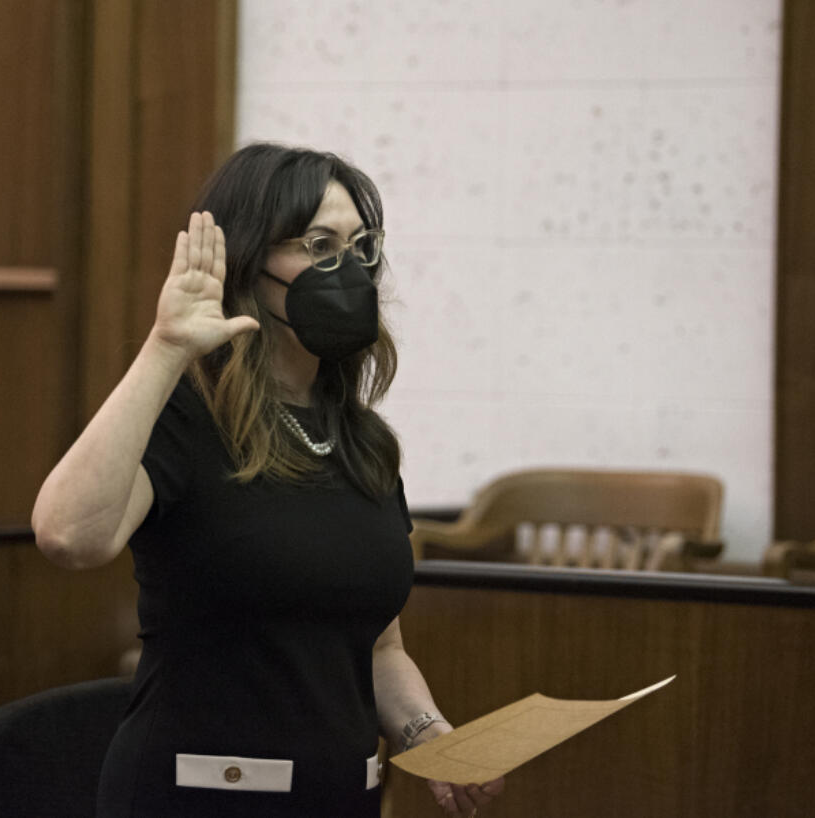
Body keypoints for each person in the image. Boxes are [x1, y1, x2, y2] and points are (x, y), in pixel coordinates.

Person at [32, 142, 503, 817]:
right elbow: (68, 536)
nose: (348, 267)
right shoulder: (188, 416)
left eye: (361, 245)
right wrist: (166, 349)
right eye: (317, 244)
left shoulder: (361, 440)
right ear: (251, 264)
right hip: (198, 799)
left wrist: (432, 737)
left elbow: (377, 644)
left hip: (343, 799)